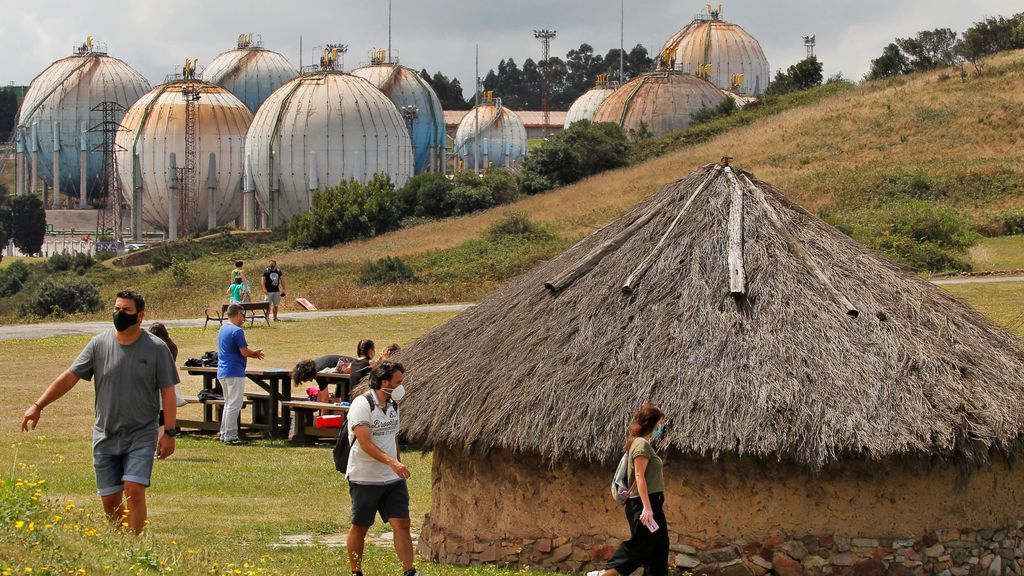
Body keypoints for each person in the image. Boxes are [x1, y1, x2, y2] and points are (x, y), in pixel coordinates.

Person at [21, 290, 179, 534]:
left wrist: (168, 432)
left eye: (126, 310)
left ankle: (134, 548)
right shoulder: (98, 344)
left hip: (141, 433)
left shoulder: (157, 349)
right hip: (105, 433)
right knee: (109, 500)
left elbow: (168, 393)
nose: (119, 314)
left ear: (140, 316)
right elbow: (69, 377)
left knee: (133, 488)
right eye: (116, 309)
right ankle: (119, 544)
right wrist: (38, 405)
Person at [345, 361, 419, 576]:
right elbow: (365, 443)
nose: (401, 387)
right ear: (384, 382)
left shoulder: (393, 405)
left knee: (402, 523)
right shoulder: (362, 404)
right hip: (365, 477)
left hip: (392, 479)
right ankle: (355, 572)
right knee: (361, 526)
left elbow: (392, 437)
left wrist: (397, 463)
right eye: (398, 382)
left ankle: (409, 571)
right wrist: (393, 462)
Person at [588, 403, 669, 576]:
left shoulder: (642, 443)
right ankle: (604, 575)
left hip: (653, 502)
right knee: (641, 545)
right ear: (652, 423)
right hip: (642, 504)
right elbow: (639, 477)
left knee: (659, 548)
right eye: (659, 423)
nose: (660, 427)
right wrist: (647, 508)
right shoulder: (640, 445)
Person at [217, 304, 265, 445]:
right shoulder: (237, 331)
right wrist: (254, 354)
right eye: (242, 315)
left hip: (223, 371)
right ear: (238, 314)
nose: (243, 318)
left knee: (228, 404)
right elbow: (244, 351)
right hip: (234, 371)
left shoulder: (223, 328)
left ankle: (224, 433)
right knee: (235, 404)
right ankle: (231, 436)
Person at [148, 323, 182, 446]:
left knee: (158, 417)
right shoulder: (172, 346)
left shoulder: (158, 348)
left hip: (157, 385)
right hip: (168, 382)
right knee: (162, 415)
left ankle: (158, 442)